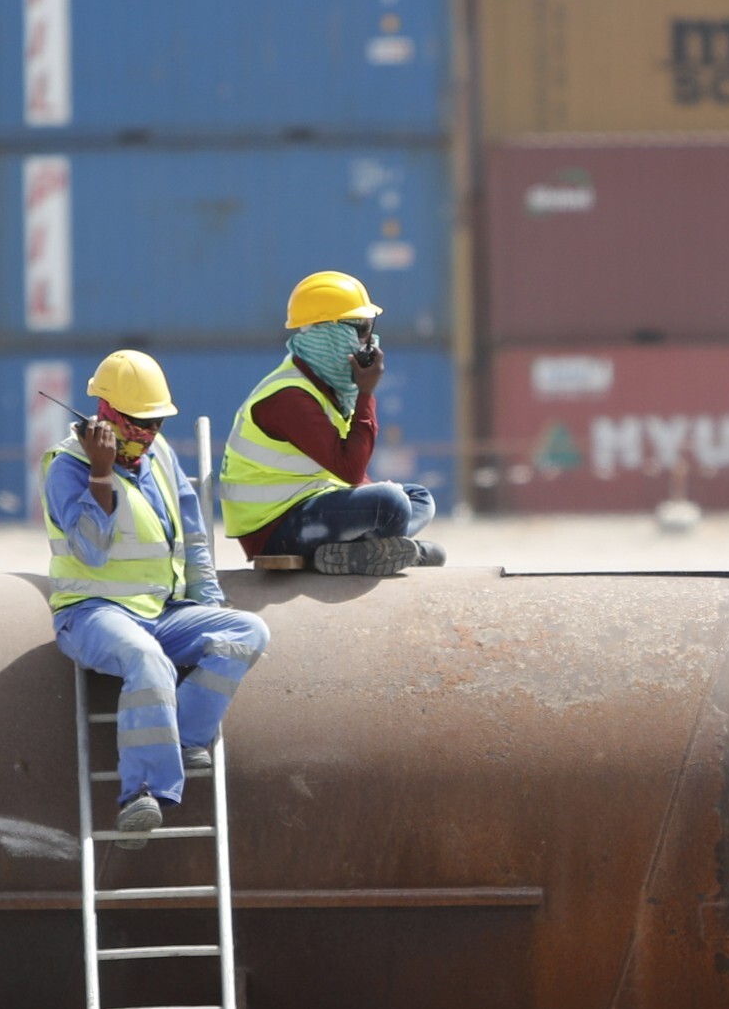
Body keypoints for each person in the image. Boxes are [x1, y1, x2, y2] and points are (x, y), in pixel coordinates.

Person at [44, 349, 269, 847]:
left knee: (247, 632)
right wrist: (101, 475)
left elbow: (192, 536)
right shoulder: (67, 467)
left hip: (161, 610)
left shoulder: (158, 456)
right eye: (138, 423)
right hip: (92, 612)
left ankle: (184, 739)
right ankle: (140, 793)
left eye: (156, 423)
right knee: (146, 659)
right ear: (106, 416)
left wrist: (209, 602)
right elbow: (90, 551)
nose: (147, 434)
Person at [221, 270, 444, 578]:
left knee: (418, 497)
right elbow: (349, 470)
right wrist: (367, 392)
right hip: (274, 528)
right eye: (363, 329)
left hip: (310, 504)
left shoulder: (325, 387)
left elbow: (349, 475)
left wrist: (370, 488)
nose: (371, 342)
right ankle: (391, 551)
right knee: (391, 504)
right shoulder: (288, 397)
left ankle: (360, 552)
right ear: (329, 333)